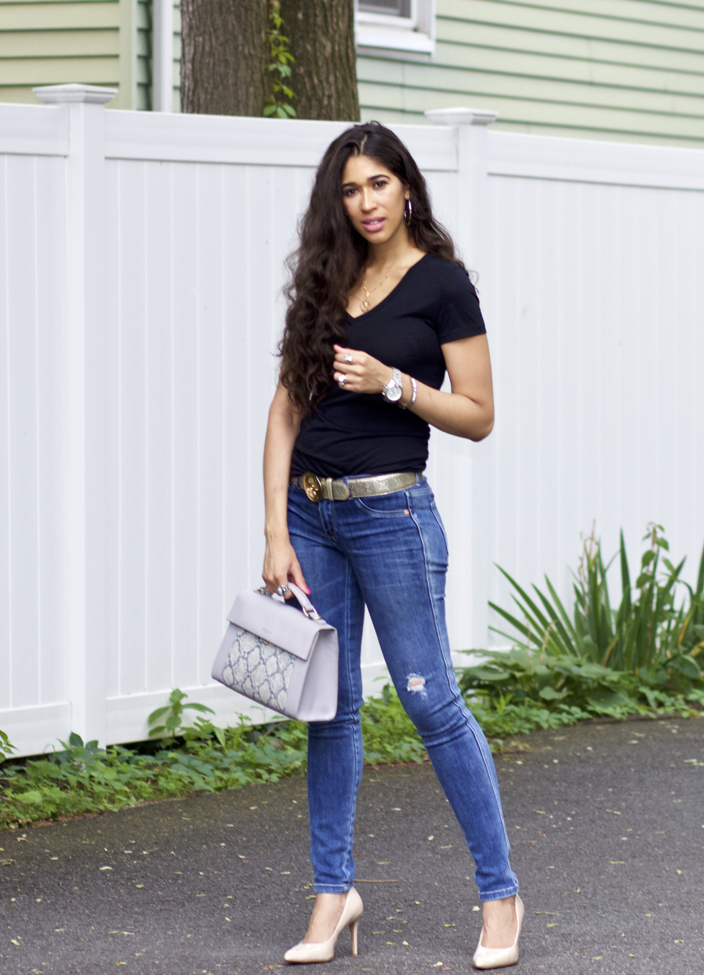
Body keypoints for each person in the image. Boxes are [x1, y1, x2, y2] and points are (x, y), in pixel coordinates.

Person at [262, 121, 523, 970]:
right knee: (327, 710)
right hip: (312, 518)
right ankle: (333, 893)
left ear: (405, 187)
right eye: (349, 188)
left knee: (430, 703)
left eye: (377, 183)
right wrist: (274, 527)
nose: (364, 202)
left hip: (393, 519)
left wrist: (395, 385)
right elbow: (285, 412)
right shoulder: (327, 279)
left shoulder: (441, 285)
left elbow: (479, 415)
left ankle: (499, 892)